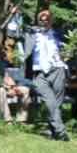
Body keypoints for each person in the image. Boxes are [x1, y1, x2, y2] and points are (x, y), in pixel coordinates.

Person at [20, 7, 70, 141]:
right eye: (41, 19)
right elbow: (14, 30)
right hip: (39, 72)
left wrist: (67, 56)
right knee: (50, 102)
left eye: (47, 19)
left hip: (58, 69)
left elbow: (70, 48)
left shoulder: (59, 33)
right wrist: (14, 15)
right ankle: (61, 132)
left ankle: (53, 132)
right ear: (38, 20)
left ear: (51, 21)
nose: (44, 22)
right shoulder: (30, 33)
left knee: (57, 104)